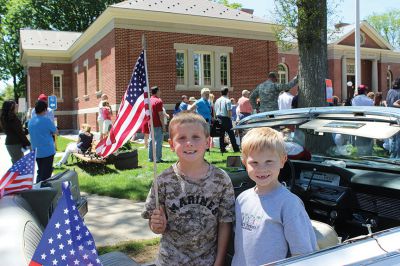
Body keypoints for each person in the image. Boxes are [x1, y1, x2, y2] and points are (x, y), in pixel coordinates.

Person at [141, 112, 235, 265]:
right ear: (172, 144)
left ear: (207, 142)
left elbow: (225, 224)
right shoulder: (163, 180)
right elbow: (154, 223)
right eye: (182, 138)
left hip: (207, 261)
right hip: (169, 261)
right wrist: (156, 225)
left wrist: (219, 262)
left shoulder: (221, 179)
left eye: (196, 137)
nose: (189, 143)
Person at [232, 127, 317, 265]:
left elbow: (302, 253)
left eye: (269, 161)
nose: (261, 169)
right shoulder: (242, 199)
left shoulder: (289, 204)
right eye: (254, 163)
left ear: (283, 160)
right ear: (244, 162)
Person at [28, 100, 58, 182]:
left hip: (36, 152)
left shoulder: (30, 122)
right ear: (44, 110)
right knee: (46, 175)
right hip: (47, 151)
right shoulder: (47, 121)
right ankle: (43, 191)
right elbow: (56, 132)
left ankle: (37, 189)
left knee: (40, 172)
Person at [214, 87, 240, 153]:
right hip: (226, 118)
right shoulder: (227, 100)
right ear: (227, 92)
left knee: (221, 135)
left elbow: (214, 110)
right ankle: (236, 149)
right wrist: (230, 117)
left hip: (218, 118)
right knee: (231, 134)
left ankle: (222, 149)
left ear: (221, 93)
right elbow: (229, 111)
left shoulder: (217, 100)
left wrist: (215, 118)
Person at [148, 86, 165, 163]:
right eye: (160, 91)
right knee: (158, 141)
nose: (160, 92)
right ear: (157, 91)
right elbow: (161, 114)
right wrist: (163, 126)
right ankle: (158, 158)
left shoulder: (148, 100)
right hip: (157, 124)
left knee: (151, 140)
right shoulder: (158, 101)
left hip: (150, 123)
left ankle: (150, 158)